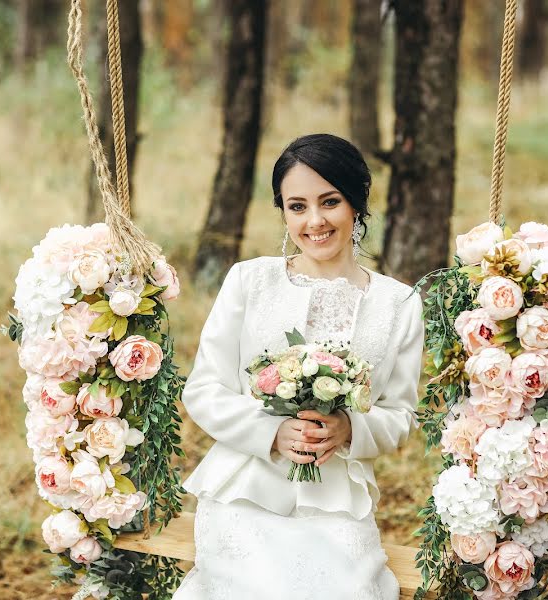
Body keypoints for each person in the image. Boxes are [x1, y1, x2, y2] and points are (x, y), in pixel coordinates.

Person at [172, 134, 425, 600]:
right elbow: (203, 388)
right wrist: (271, 433)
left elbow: (400, 415)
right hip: (244, 491)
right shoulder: (250, 280)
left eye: (330, 202)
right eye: (297, 206)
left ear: (356, 204)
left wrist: (349, 428)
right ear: (283, 212)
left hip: (338, 503)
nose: (314, 221)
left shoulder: (400, 304)